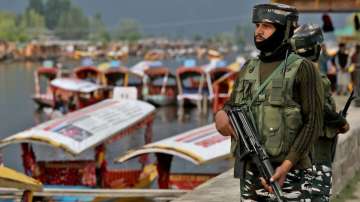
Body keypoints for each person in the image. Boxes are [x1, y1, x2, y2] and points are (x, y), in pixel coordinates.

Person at [215, 3, 324, 201]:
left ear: (285, 30)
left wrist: (287, 165)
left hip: (292, 175)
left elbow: (314, 122)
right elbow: (232, 105)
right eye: (257, 25)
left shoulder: (303, 68)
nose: (259, 31)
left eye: (267, 26)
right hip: (251, 173)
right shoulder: (248, 68)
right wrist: (220, 115)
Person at [291, 23, 350, 201]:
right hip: (317, 147)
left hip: (297, 147)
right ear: (317, 48)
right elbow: (320, 109)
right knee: (319, 192)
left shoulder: (290, 73)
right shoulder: (315, 76)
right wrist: (341, 123)